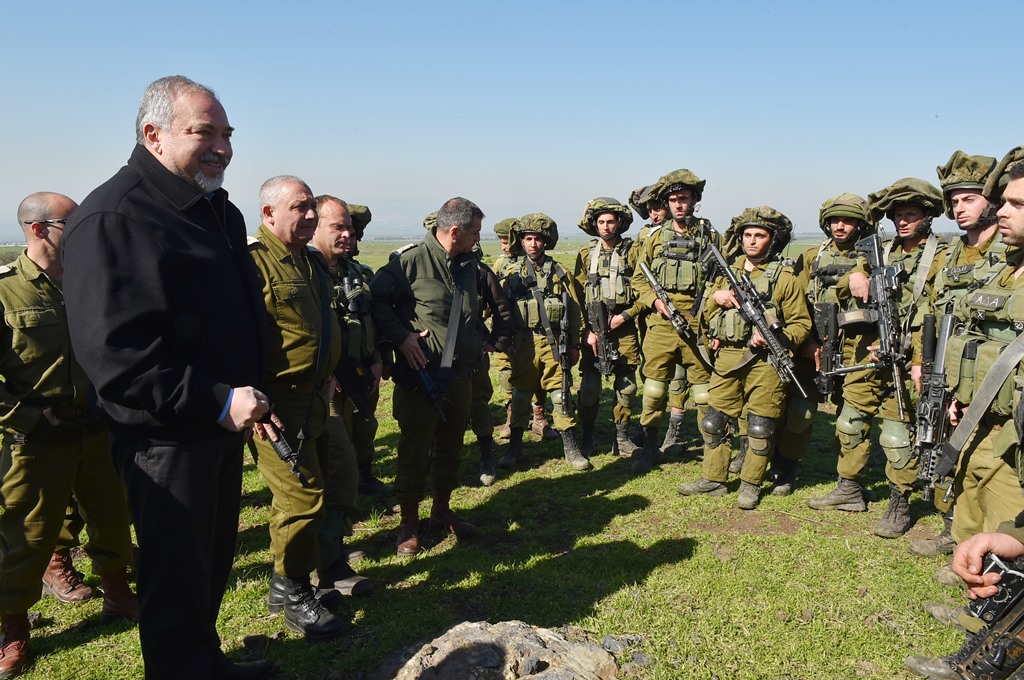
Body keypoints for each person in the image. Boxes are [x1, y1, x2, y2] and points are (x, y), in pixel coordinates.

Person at [61, 76, 272, 679]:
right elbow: (117, 356)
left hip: (218, 425)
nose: (222, 147)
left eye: (227, 134)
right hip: (165, 439)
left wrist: (247, 394)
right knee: (176, 586)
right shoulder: (115, 217)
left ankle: (205, 666)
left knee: (209, 571)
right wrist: (215, 399)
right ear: (153, 134)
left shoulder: (212, 208)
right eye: (203, 132)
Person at [0, 192, 137, 676]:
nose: (83, 234)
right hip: (37, 437)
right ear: (38, 230)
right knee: (26, 534)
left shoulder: (89, 284)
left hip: (96, 426)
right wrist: (26, 420)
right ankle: (13, 629)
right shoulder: (6, 293)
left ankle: (118, 595)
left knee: (112, 515)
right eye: (70, 225)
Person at [810, 178, 945, 539]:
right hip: (867, 353)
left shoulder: (940, 257)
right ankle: (849, 488)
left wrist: (918, 358)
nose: (903, 222)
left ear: (927, 217)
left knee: (898, 436)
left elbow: (939, 311)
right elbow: (842, 285)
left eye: (911, 215)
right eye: (898, 215)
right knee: (850, 423)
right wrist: (856, 276)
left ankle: (899, 501)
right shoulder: (878, 252)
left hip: (909, 357)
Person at [248, 176, 348, 640]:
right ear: (269, 214)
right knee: (302, 498)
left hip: (313, 398)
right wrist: (254, 399)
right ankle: (295, 595)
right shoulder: (251, 264)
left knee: (307, 493)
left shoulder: (307, 261)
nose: (310, 215)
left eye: (312, 207)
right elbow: (236, 339)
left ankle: (280, 583)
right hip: (276, 405)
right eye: (299, 207)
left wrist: (327, 370)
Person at [371, 197, 487, 556]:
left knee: (452, 448)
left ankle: (441, 510)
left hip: (461, 376)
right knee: (414, 452)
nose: (477, 239)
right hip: (422, 378)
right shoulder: (409, 262)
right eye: (474, 233)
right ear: (455, 231)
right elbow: (374, 302)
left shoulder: (469, 264)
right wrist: (402, 337)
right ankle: (409, 521)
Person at [678, 207, 810, 509]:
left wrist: (776, 337)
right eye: (747, 235)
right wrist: (716, 298)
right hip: (727, 356)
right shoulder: (727, 272)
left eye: (759, 235)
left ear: (772, 239)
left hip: (765, 362)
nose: (752, 241)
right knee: (713, 420)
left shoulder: (785, 277)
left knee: (760, 427)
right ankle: (714, 478)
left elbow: (802, 324)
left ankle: (750, 484)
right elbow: (703, 318)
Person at [914, 151, 1006, 559]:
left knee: (989, 463)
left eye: (969, 198)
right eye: (954, 200)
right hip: (948, 372)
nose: (959, 207)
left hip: (992, 378)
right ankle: (954, 530)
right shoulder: (948, 256)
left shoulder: (1009, 255)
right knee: (949, 449)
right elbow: (929, 315)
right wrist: (922, 364)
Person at [778, 194, 878, 497]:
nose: (840, 226)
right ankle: (787, 467)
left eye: (847, 220)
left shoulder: (874, 258)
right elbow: (794, 303)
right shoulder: (811, 256)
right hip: (815, 346)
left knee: (852, 416)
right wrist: (806, 341)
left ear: (860, 224)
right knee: (802, 410)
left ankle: (850, 481)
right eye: (835, 220)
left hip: (858, 347)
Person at [307, 194, 376, 592]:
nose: (348, 235)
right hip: (320, 387)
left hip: (357, 377)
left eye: (350, 227)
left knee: (346, 464)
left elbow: (366, 318)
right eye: (338, 227)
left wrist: (377, 359)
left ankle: (334, 550)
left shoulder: (355, 273)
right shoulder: (307, 273)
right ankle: (325, 565)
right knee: (337, 468)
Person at [630, 169, 720, 474]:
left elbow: (722, 279)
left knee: (704, 393)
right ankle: (650, 447)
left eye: (684, 198)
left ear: (694, 199)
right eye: (673, 200)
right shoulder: (654, 237)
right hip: (662, 324)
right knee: (654, 389)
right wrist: (655, 301)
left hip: (698, 324)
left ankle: (713, 453)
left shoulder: (710, 235)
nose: (678, 205)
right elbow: (639, 279)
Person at [496, 214, 586, 471]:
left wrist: (575, 344)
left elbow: (575, 309)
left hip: (555, 341)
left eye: (537, 239)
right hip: (522, 342)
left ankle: (570, 447)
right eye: (528, 239)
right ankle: (515, 447)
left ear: (545, 242)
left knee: (561, 394)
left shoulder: (560, 272)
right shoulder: (511, 274)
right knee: (521, 395)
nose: (533, 244)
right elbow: (501, 308)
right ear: (521, 242)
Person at [572, 197, 641, 458]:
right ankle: (587, 435)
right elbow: (576, 295)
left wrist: (626, 315)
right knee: (589, 387)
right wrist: (586, 331)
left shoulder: (633, 251)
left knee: (627, 386)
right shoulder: (585, 254)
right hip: (593, 330)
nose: (606, 226)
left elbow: (644, 290)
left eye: (610, 221)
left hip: (623, 327)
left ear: (620, 223)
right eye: (601, 221)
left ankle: (621, 437)